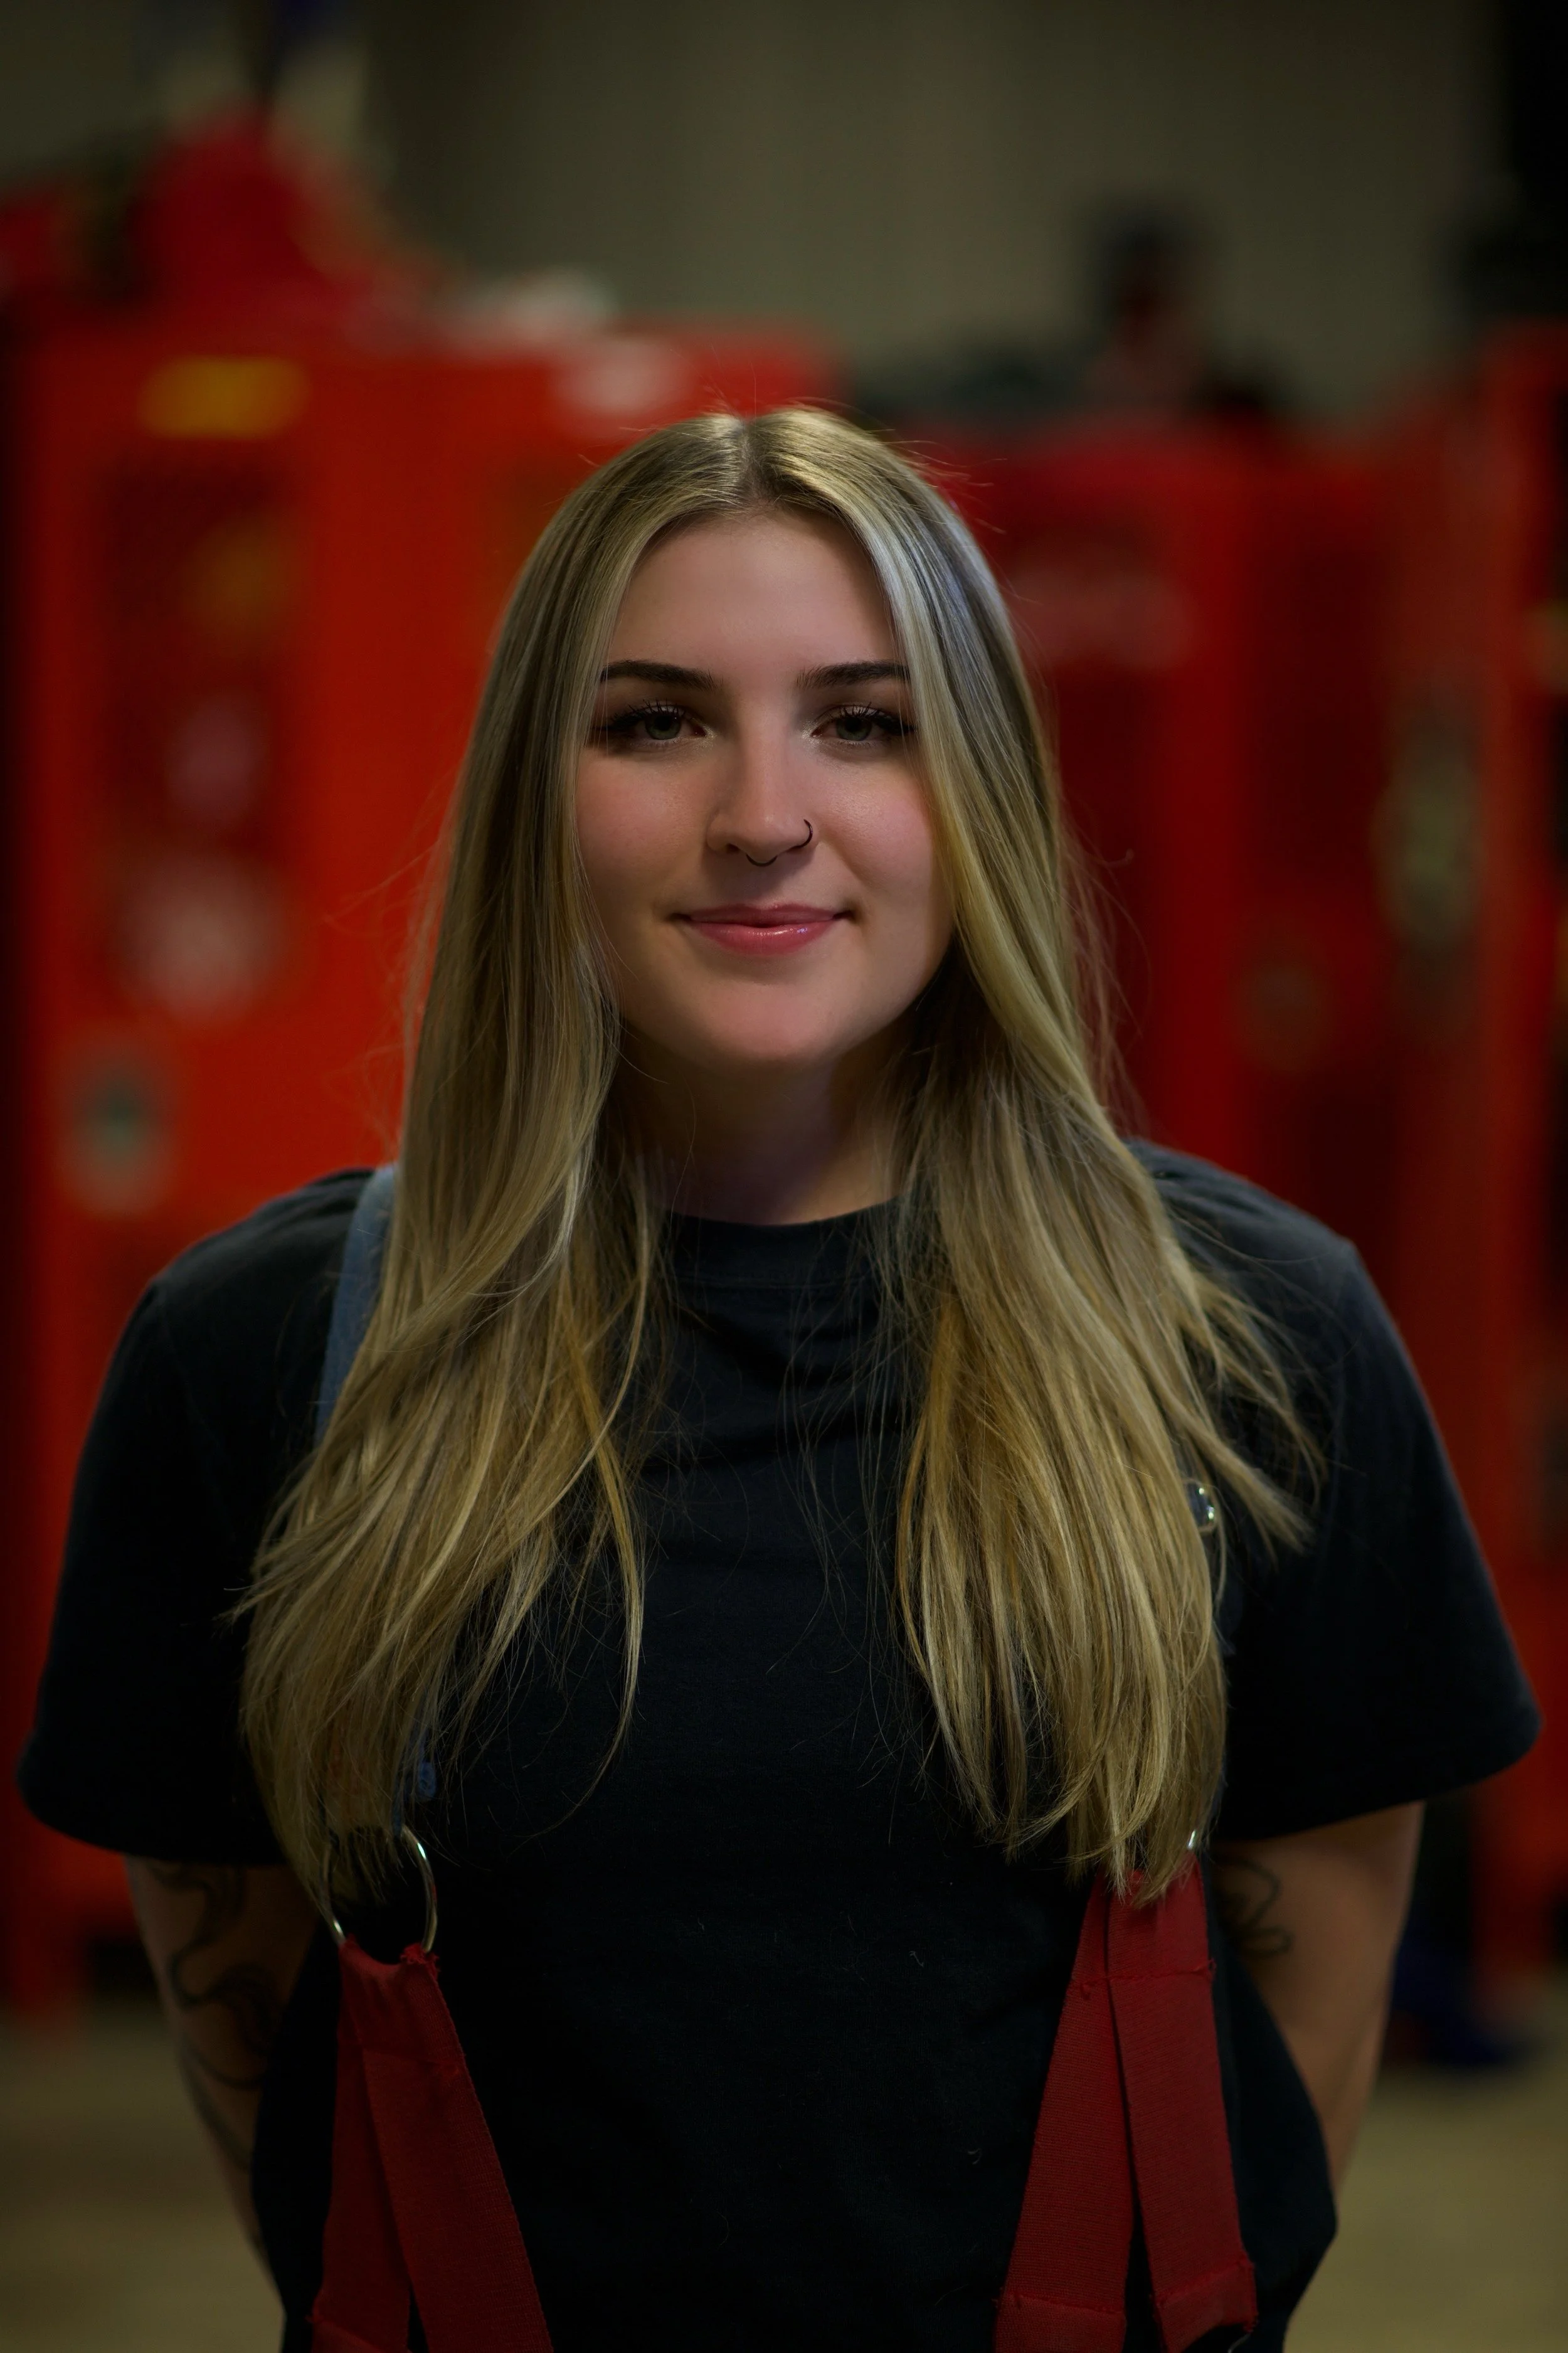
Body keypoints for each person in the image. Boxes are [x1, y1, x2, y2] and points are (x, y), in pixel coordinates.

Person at [19, 408, 1537, 2353]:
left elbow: (1298, 2008)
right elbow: (249, 2007)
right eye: (653, 721)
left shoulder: (1253, 1338)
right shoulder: (264, 1360)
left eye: (863, 719)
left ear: (973, 786)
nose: (762, 810)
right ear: (530, 797)